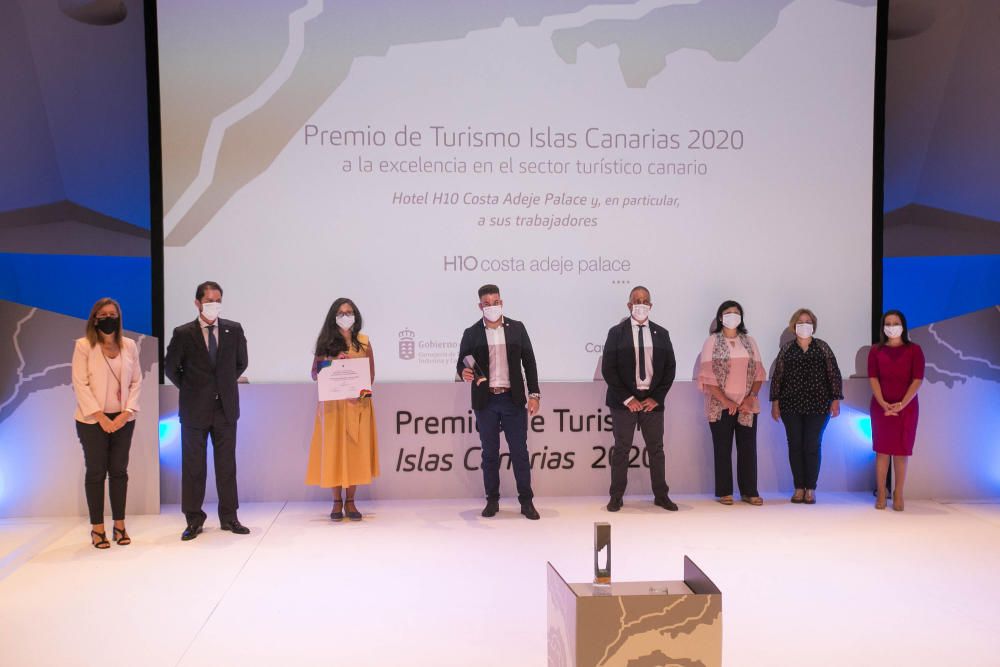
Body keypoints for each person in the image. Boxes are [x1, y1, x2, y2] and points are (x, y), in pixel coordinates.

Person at [164, 281, 249, 540]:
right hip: (194, 409)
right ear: (198, 303)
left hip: (225, 408)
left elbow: (241, 363)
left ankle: (229, 517)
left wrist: (221, 386)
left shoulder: (233, 330)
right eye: (209, 300)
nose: (214, 305)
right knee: (193, 467)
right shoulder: (183, 333)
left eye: (218, 300)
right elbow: (170, 368)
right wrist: (192, 388)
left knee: (226, 465)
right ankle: (194, 519)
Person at [456, 284, 541, 520]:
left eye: (496, 302)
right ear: (480, 306)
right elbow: (461, 364)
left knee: (520, 453)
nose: (492, 307)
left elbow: (530, 363)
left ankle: (526, 502)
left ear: (501, 302)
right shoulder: (471, 333)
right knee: (490, 454)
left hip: (512, 400)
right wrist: (464, 372)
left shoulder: (517, 328)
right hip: (486, 402)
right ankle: (492, 500)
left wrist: (534, 394)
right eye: (487, 303)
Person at [71, 298, 143, 549]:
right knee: (96, 472)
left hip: (124, 419)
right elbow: (80, 383)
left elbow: (136, 381)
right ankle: (97, 529)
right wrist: (101, 417)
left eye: (113, 314)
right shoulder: (83, 346)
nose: (109, 318)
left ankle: (119, 525)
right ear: (94, 319)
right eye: (103, 314)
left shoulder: (130, 345)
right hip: (92, 421)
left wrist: (125, 413)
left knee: (119, 472)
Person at [600, 286, 678, 512]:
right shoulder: (616, 333)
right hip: (624, 403)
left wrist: (656, 397)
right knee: (622, 449)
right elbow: (609, 369)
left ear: (651, 306)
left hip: (652, 402)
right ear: (629, 305)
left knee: (656, 450)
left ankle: (661, 496)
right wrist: (627, 398)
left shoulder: (662, 333)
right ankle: (616, 497)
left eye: (645, 301)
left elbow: (670, 368)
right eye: (636, 300)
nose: (641, 304)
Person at [305, 298, 379, 521]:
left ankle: (351, 501)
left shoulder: (364, 342)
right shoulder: (325, 343)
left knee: (355, 452)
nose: (345, 316)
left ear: (355, 316)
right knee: (334, 451)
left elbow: (371, 377)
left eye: (349, 312)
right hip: (333, 407)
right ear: (333, 317)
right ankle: (336, 501)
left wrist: (360, 391)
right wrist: (334, 363)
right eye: (341, 312)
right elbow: (314, 374)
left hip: (358, 406)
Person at [769, 308, 843, 504]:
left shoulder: (823, 347)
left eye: (808, 321)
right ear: (794, 326)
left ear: (814, 326)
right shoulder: (786, 349)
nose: (804, 325)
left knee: (812, 445)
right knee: (795, 445)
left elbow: (833, 374)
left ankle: (811, 488)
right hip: (790, 405)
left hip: (818, 405)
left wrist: (835, 399)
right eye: (800, 322)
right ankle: (798, 488)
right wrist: (775, 402)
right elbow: (778, 377)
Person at [697, 300, 766, 506]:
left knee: (748, 448)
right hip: (720, 406)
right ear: (720, 317)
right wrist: (726, 400)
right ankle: (725, 491)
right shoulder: (712, 341)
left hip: (747, 405)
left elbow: (759, 373)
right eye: (728, 313)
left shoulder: (750, 341)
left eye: (736, 313)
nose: (732, 316)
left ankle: (749, 491)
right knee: (722, 448)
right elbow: (707, 377)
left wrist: (750, 397)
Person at [868, 309, 924, 511]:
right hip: (880, 407)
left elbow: (917, 379)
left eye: (895, 323)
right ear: (883, 327)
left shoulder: (914, 350)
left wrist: (902, 404)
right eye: (888, 324)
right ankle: (882, 492)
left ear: (903, 326)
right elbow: (873, 378)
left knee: (901, 452)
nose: (892, 327)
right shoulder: (876, 350)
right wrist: (883, 402)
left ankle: (899, 493)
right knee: (882, 452)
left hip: (906, 408)